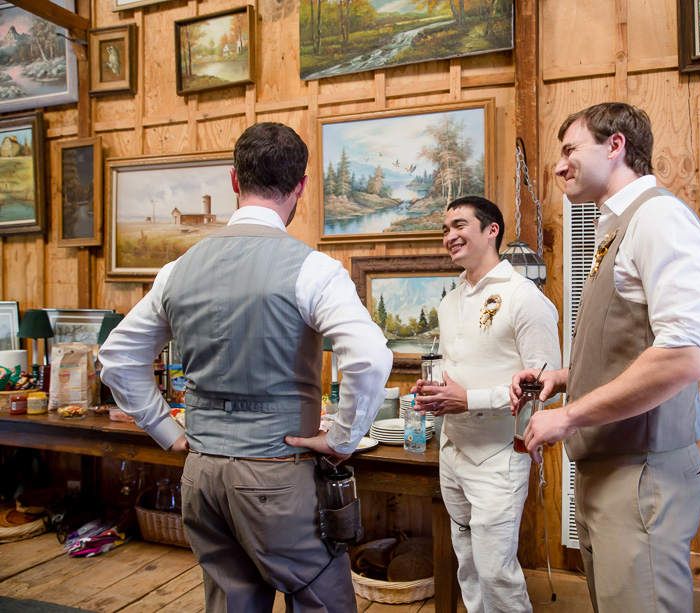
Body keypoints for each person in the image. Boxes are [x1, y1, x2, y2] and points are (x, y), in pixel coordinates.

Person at [99, 122, 392, 613]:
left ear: (233, 181)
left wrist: (165, 431)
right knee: (325, 602)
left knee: (232, 603)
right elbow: (369, 357)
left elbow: (116, 357)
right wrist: (342, 438)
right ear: (300, 186)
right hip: (276, 477)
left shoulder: (177, 270)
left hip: (201, 474)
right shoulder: (313, 269)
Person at [511, 103, 700, 613]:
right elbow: (632, 340)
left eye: (569, 150)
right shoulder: (618, 225)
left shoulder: (660, 218)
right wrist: (565, 378)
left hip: (641, 472)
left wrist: (568, 416)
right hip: (610, 466)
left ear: (615, 146)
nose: (558, 166)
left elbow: (685, 356)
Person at [412, 196, 560, 613]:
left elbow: (544, 386)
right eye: (445, 229)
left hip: (499, 457)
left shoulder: (525, 298)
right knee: (468, 565)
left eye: (459, 225)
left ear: (491, 229)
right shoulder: (450, 301)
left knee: (496, 571)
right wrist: (435, 393)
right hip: (453, 452)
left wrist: (468, 399)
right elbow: (461, 370)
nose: (449, 236)